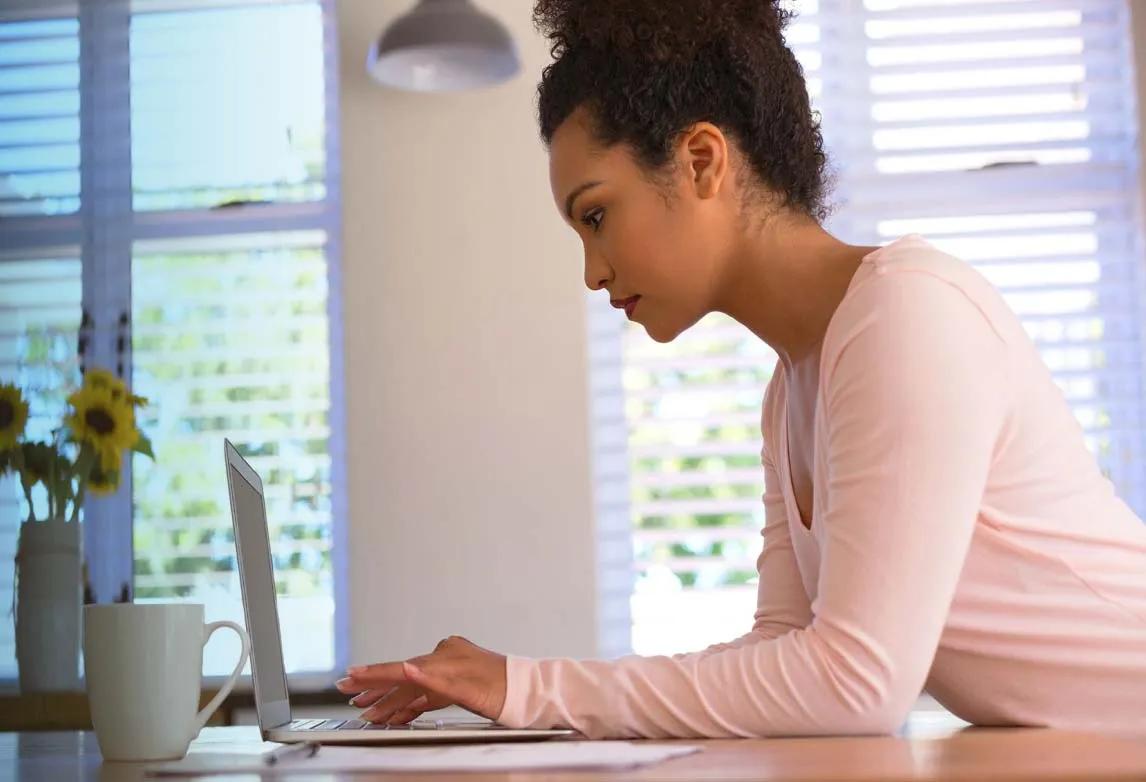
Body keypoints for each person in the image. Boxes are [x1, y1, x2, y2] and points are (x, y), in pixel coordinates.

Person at [335, 0, 1146, 739]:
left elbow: (855, 686)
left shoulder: (908, 312)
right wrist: (526, 693)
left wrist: (529, 687)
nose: (591, 270)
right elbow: (789, 656)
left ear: (700, 161)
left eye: (596, 215)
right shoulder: (793, 387)